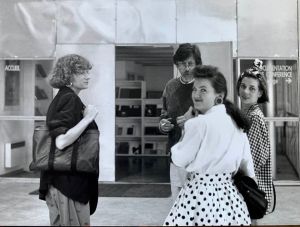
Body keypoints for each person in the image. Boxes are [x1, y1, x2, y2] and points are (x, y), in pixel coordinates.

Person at [163, 65, 255, 226]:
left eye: (203, 90)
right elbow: (248, 168)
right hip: (231, 200)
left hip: (199, 199)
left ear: (219, 96)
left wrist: (186, 125)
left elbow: (178, 159)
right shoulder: (238, 124)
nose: (196, 95)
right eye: (195, 89)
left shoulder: (197, 124)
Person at [38, 54, 99, 226]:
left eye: (87, 71)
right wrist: (87, 118)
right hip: (68, 184)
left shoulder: (65, 97)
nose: (87, 76)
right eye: (81, 72)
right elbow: (61, 141)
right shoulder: (69, 98)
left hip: (63, 182)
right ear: (68, 75)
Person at [159, 43, 202, 202]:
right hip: (176, 153)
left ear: (197, 63)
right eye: (181, 64)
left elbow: (217, 118)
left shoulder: (205, 86)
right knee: (177, 202)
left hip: (200, 156)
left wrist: (194, 119)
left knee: (199, 204)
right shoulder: (170, 86)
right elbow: (163, 113)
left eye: (190, 63)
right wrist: (163, 124)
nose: (186, 68)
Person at [236, 59, 274, 215]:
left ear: (260, 93)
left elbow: (255, 159)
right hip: (247, 185)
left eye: (252, 88)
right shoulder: (246, 114)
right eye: (243, 86)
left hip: (251, 188)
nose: (245, 92)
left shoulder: (254, 117)